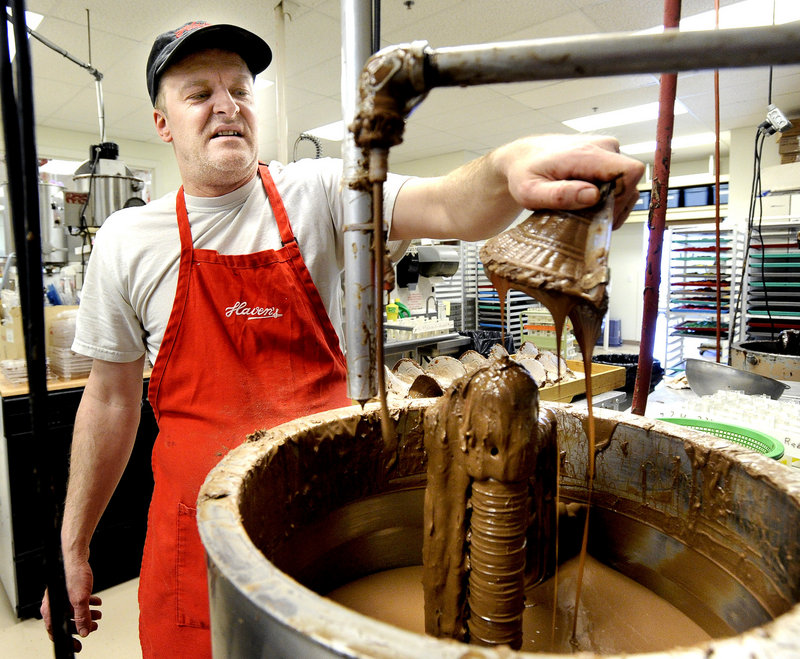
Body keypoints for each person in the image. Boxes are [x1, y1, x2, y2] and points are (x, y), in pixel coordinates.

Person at [40, 19, 644, 658]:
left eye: (240, 90)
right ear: (163, 122)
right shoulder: (128, 240)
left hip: (330, 524)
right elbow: (109, 402)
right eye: (198, 94)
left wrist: (505, 166)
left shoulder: (321, 191)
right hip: (198, 538)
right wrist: (71, 545)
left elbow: (452, 207)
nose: (226, 107)